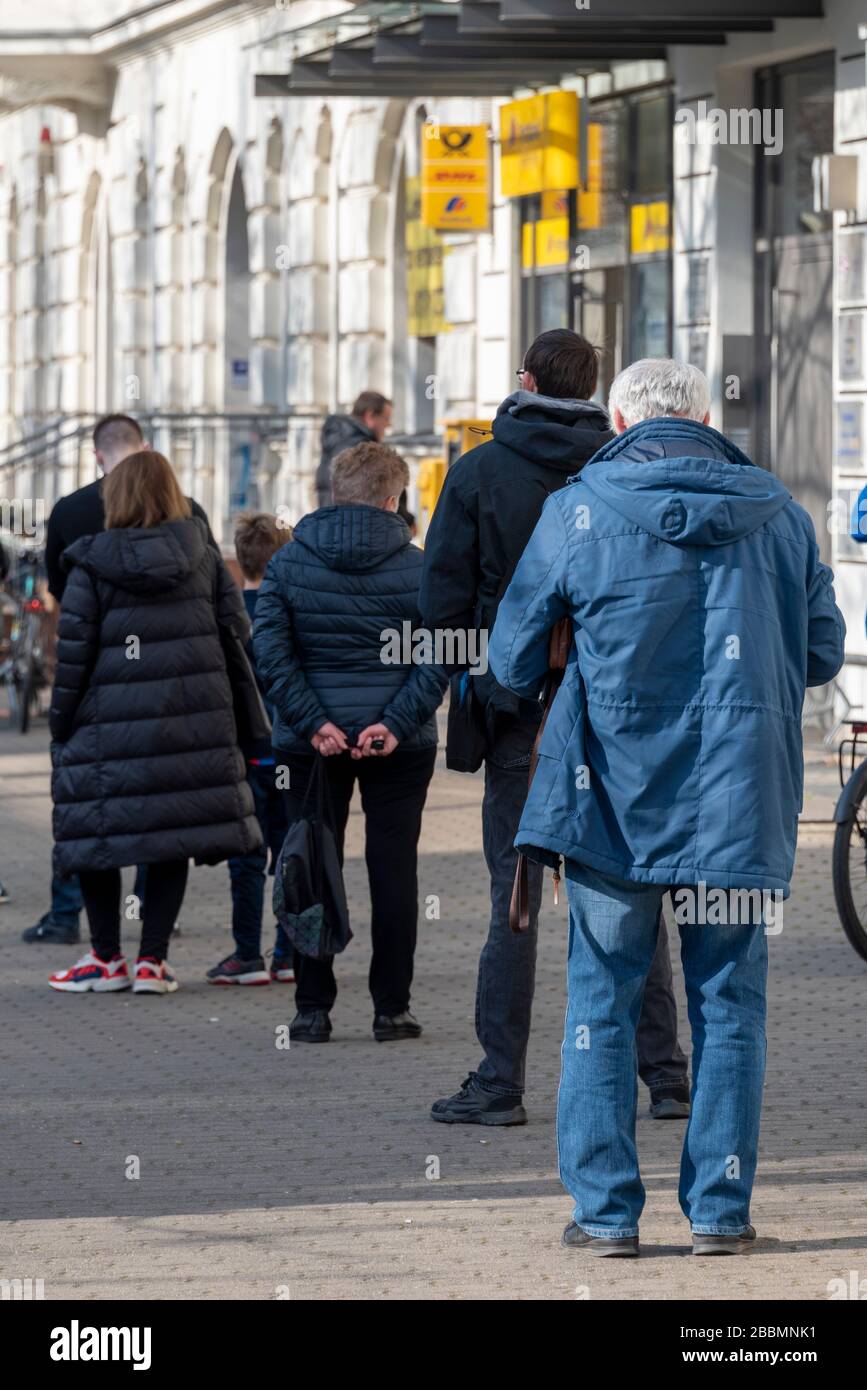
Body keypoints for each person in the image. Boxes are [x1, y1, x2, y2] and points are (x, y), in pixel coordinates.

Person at [488, 357, 846, 1256]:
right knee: (730, 1007)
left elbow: (510, 662)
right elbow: (822, 655)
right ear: (699, 415)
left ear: (619, 420)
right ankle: (720, 1215)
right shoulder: (779, 513)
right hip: (739, 803)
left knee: (600, 1003)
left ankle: (606, 1216)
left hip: (610, 801)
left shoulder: (578, 509)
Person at [419, 328, 689, 1126]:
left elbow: (439, 611)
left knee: (517, 897)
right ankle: (667, 1078)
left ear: (525, 378)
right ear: (598, 392)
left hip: (521, 722)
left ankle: (500, 1081)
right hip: (619, 713)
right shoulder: (627, 469)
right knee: (631, 885)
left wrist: (489, 673)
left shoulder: (478, 472)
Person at [47, 451, 262, 995]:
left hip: (105, 730)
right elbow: (237, 637)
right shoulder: (205, 558)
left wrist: (60, 723)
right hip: (191, 724)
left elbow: (72, 656)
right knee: (172, 835)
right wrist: (248, 722)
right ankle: (153, 962)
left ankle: (105, 958)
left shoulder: (89, 563)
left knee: (97, 834)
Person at [254, 441, 447, 1042]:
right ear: (394, 499)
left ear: (334, 494)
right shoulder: (421, 567)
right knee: (395, 871)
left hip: (310, 747)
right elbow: (437, 659)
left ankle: (312, 1008)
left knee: (310, 864)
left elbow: (271, 655)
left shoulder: (287, 565)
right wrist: (394, 721)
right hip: (400, 742)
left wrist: (315, 724)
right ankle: (392, 1009)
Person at [24, 413, 216, 946]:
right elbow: (219, 619)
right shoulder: (190, 517)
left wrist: (60, 714)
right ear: (148, 449)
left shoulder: (71, 514)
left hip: (100, 699)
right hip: (177, 697)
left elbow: (68, 616)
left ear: (97, 455)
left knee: (87, 814)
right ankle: (154, 938)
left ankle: (74, 924)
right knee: (163, 817)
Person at [207, 512, 294, 985]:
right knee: (288, 851)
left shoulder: (227, 617)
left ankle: (246, 954)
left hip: (244, 751)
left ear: (240, 560)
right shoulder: (292, 612)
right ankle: (286, 953)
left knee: (245, 852)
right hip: (289, 749)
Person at [315, 390, 392, 508]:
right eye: (386, 418)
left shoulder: (337, 439)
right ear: (369, 416)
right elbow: (383, 491)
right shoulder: (362, 448)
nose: (388, 424)